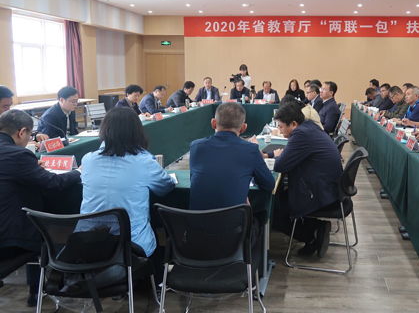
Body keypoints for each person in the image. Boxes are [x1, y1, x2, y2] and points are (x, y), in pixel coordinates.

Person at [0, 109, 80, 306]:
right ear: (22, 132)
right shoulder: (18, 154)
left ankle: (36, 291)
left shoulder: (15, 156)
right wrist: (79, 172)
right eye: (29, 135)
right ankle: (50, 286)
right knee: (48, 225)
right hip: (9, 240)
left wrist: (32, 168)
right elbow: (54, 183)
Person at [80, 108, 176, 267]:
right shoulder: (145, 162)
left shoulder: (87, 160)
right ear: (138, 132)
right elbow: (166, 186)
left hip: (87, 244)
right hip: (131, 248)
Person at [267, 101, 343, 258]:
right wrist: (276, 155)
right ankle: (316, 227)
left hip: (320, 193)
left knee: (271, 209)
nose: (280, 131)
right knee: (279, 200)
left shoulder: (301, 135)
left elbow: (280, 165)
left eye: (281, 127)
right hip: (328, 188)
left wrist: (274, 157)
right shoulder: (308, 126)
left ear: (293, 124)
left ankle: (311, 237)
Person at [189, 103, 275, 212]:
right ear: (243, 128)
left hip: (196, 220)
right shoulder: (251, 150)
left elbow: (194, 179)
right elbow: (268, 184)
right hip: (234, 221)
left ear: (213, 123)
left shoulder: (195, 147)